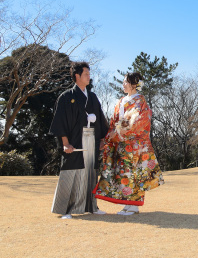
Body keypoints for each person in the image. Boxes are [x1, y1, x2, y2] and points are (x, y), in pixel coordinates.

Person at [94, 71, 164, 215]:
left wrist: (118, 132)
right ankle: (128, 203)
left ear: (133, 85)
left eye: (126, 81)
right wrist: (110, 136)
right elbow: (114, 120)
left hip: (134, 144)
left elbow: (137, 120)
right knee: (123, 173)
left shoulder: (140, 101)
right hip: (120, 142)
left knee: (133, 172)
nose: (123, 84)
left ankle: (134, 205)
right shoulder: (121, 100)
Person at [49, 61, 109, 219]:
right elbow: (61, 121)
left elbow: (102, 120)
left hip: (92, 139)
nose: (89, 77)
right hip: (75, 141)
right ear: (77, 76)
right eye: (86, 74)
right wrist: (65, 143)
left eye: (89, 74)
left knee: (91, 172)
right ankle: (65, 210)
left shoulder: (93, 97)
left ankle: (92, 206)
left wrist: (102, 138)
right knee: (71, 172)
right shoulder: (66, 97)